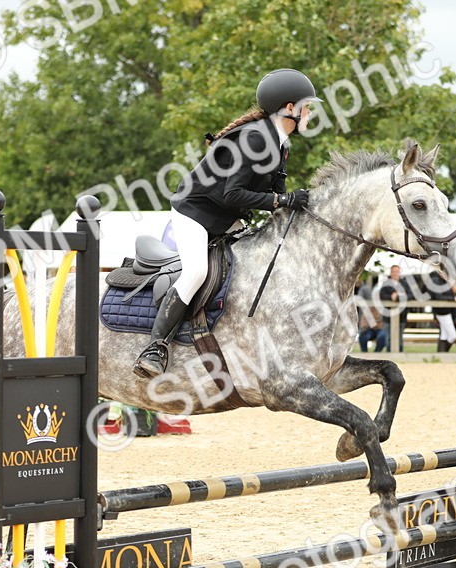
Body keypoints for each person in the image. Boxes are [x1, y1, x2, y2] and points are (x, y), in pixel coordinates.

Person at [133, 68, 319, 378]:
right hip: (195, 213)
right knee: (196, 271)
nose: (310, 112)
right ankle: (155, 347)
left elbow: (276, 195)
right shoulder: (255, 138)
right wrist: (282, 202)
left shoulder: (280, 143)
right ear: (290, 108)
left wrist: (297, 208)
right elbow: (234, 195)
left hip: (226, 218)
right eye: (307, 106)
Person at [377, 264, 407, 352]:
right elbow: (382, 296)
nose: (395, 273)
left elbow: (410, 295)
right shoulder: (385, 283)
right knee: (388, 337)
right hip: (388, 315)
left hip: (402, 315)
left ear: (399, 272)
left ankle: (400, 355)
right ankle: (389, 355)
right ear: (391, 273)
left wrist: (397, 297)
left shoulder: (405, 283)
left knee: (400, 336)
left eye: (397, 271)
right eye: (393, 271)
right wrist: (391, 297)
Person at [428, 269, 456, 352]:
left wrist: (452, 286)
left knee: (444, 336)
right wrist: (453, 298)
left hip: (448, 311)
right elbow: (438, 296)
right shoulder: (435, 281)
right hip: (441, 311)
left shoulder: (446, 281)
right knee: (452, 336)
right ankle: (443, 353)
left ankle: (441, 354)